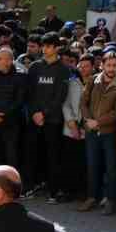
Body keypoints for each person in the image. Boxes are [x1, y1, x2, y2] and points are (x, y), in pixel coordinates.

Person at [24, 34, 73, 200]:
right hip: (34, 118)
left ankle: (53, 190)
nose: (45, 49)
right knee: (31, 153)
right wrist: (34, 113)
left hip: (53, 120)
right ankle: (30, 186)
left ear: (56, 48)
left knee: (53, 155)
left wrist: (44, 113)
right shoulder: (35, 67)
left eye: (49, 46)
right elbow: (29, 93)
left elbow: (60, 96)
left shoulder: (64, 70)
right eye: (43, 46)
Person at [79, 49, 116, 214]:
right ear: (102, 65)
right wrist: (88, 121)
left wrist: (98, 122)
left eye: (114, 65)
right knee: (92, 165)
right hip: (91, 131)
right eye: (108, 65)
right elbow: (83, 103)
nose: (111, 68)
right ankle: (92, 197)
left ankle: (111, 200)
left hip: (110, 132)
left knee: (112, 167)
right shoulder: (92, 81)